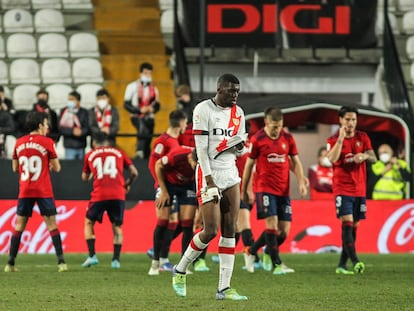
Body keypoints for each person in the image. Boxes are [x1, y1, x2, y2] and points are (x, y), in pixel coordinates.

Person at [172, 73, 248, 301]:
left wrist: (241, 147)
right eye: (230, 90)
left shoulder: (239, 113)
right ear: (219, 89)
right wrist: (209, 180)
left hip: (231, 173)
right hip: (209, 172)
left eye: (237, 91)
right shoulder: (203, 109)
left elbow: (241, 149)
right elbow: (201, 150)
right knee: (211, 229)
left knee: (230, 229)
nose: (234, 95)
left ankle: (224, 288)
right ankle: (180, 270)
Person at [242, 107, 308, 275]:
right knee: (271, 225)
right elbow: (249, 165)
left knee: (283, 232)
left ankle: (254, 250)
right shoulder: (258, 139)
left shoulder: (288, 138)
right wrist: (245, 189)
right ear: (266, 122)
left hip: (283, 190)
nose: (276, 130)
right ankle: (277, 263)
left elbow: (296, 161)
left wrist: (301, 180)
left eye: (279, 126)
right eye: (273, 126)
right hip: (264, 188)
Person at [5, 111, 68, 272]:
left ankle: (10, 263)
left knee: (19, 226)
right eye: (46, 124)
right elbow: (58, 168)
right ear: (40, 125)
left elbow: (14, 168)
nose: (47, 127)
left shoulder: (19, 143)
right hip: (43, 190)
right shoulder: (47, 142)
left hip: (25, 189)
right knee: (52, 225)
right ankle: (61, 263)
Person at [326, 106, 377, 275]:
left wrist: (364, 156)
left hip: (359, 190)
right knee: (347, 224)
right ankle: (355, 261)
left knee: (353, 226)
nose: (351, 123)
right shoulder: (333, 139)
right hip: (343, 189)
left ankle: (341, 265)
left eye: (353, 119)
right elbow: (332, 159)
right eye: (347, 119)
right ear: (340, 120)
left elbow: (374, 158)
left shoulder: (363, 137)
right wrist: (341, 139)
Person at [81, 132, 138, 269]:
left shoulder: (90, 155)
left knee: (89, 222)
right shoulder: (118, 152)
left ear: (94, 143)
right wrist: (127, 184)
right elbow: (134, 172)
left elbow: (84, 177)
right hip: (118, 194)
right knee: (117, 226)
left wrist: (92, 174)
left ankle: (92, 256)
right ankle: (116, 261)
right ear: (107, 142)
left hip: (99, 195)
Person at [147, 110, 188, 273]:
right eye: (185, 122)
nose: (186, 125)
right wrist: (160, 186)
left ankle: (163, 259)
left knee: (173, 221)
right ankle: (158, 259)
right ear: (180, 123)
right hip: (164, 187)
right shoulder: (163, 141)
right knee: (165, 220)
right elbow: (153, 164)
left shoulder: (175, 140)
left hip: (173, 187)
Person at [148, 147, 197, 275]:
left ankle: (183, 266)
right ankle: (155, 263)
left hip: (187, 186)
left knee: (188, 224)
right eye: (194, 165)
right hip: (168, 184)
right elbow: (158, 165)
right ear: (190, 158)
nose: (194, 168)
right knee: (163, 221)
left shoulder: (202, 159)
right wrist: (163, 191)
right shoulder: (177, 155)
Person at [124, 62, 161, 159]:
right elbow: (126, 104)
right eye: (145, 73)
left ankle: (146, 156)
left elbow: (157, 105)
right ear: (140, 73)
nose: (148, 75)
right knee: (142, 128)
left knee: (148, 137)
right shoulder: (131, 87)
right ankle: (139, 150)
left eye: (149, 73)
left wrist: (151, 109)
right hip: (136, 116)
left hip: (150, 117)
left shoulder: (154, 88)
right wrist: (140, 110)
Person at [58, 91, 90, 160]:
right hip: (69, 145)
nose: (70, 101)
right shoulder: (63, 111)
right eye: (69, 99)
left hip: (81, 145)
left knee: (81, 168)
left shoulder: (84, 112)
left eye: (72, 99)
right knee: (70, 168)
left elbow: (88, 128)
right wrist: (72, 131)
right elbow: (60, 128)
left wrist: (81, 132)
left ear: (78, 101)